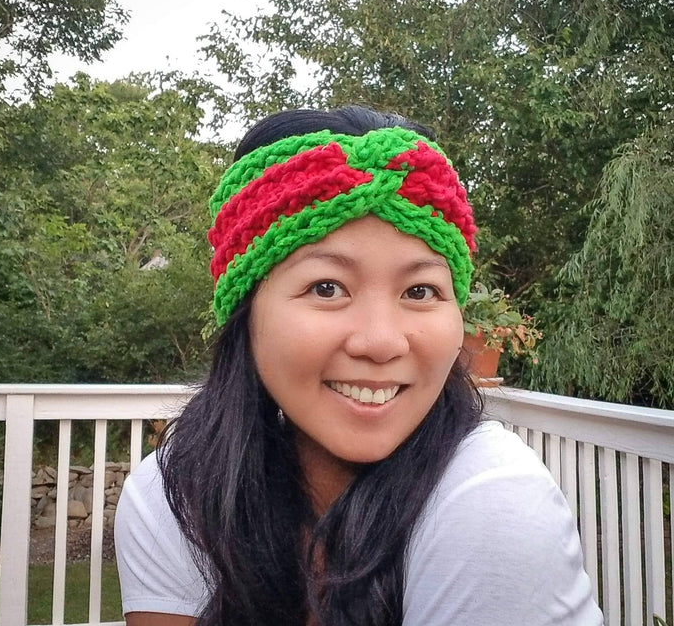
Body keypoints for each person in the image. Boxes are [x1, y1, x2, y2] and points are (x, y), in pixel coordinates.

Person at [115, 106, 603, 626]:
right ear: (246, 311)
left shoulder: (493, 503)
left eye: (420, 291)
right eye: (327, 288)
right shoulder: (176, 496)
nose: (380, 342)